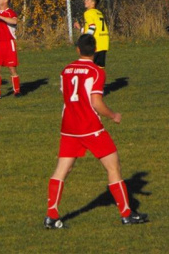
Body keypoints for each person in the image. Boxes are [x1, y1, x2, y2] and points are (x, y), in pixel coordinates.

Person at [43, 34, 148, 229]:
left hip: (69, 127)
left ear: (78, 50)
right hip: (90, 127)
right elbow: (96, 103)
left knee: (62, 170)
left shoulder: (65, 70)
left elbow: (66, 94)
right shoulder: (96, 71)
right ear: (96, 49)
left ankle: (51, 216)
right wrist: (113, 115)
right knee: (113, 167)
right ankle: (126, 214)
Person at [73, 0, 109, 68]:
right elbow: (95, 28)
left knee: (89, 68)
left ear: (93, 2)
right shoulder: (99, 13)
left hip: (95, 44)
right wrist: (80, 28)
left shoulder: (88, 13)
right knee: (99, 69)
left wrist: (85, 40)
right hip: (104, 43)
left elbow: (92, 27)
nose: (85, 1)